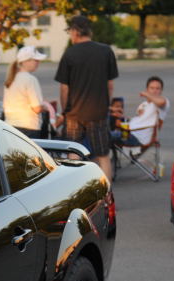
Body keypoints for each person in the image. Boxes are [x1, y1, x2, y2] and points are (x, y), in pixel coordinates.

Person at [54, 15, 119, 179]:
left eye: (70, 31)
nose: (70, 35)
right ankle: (107, 193)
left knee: (73, 153)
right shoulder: (106, 51)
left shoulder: (69, 54)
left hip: (74, 114)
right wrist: (105, 105)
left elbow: (64, 88)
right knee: (103, 155)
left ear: (76, 31)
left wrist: (65, 110)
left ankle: (75, 190)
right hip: (98, 113)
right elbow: (110, 84)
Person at [3, 46, 53, 139]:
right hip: (28, 127)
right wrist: (45, 107)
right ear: (26, 61)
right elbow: (37, 108)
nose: (38, 63)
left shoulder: (10, 79)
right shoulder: (30, 79)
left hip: (10, 126)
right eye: (35, 60)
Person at [123, 76, 169, 147]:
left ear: (161, 91)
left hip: (139, 138)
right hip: (128, 132)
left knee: (108, 135)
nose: (154, 91)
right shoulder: (143, 105)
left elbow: (161, 102)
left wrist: (146, 94)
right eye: (152, 88)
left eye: (157, 88)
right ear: (147, 89)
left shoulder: (163, 103)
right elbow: (138, 121)